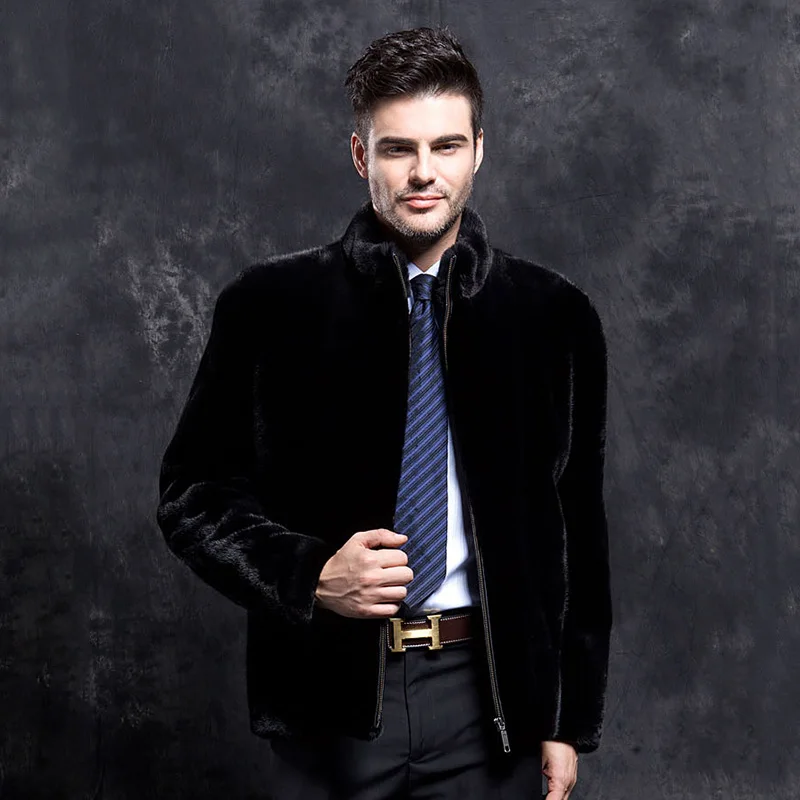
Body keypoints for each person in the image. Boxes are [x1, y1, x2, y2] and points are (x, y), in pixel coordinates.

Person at [157, 25, 612, 800]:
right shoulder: (270, 306)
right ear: (361, 156)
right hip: (328, 703)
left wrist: (567, 720)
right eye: (399, 149)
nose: (423, 173)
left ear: (478, 151)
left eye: (446, 146)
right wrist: (310, 574)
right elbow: (191, 495)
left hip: (490, 704)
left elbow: (578, 532)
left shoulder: (553, 316)